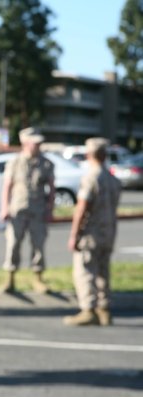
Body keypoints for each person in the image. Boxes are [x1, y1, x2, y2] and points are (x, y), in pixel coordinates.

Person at [64, 137, 121, 326]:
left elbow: (82, 208)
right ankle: (104, 309)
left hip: (91, 233)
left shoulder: (90, 177)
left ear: (89, 155)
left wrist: (74, 235)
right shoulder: (113, 179)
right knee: (103, 271)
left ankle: (88, 309)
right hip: (109, 232)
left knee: (85, 270)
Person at [0, 127, 55, 294]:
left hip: (38, 210)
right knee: (13, 244)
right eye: (34, 143)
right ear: (25, 143)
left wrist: (50, 209)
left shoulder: (46, 163)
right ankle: (10, 278)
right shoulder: (14, 162)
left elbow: (51, 189)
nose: (38, 146)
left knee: (38, 245)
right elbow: (7, 187)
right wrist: (4, 208)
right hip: (17, 210)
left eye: (39, 143)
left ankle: (38, 279)